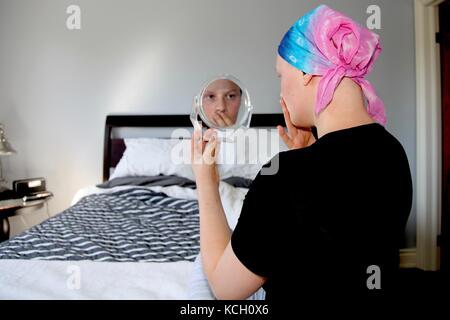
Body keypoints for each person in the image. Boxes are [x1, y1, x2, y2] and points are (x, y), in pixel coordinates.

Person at [190, 4, 413, 305]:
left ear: (306, 71)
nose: (280, 91)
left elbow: (224, 287)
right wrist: (307, 154)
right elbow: (337, 242)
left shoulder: (284, 176)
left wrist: (206, 179)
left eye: (281, 75)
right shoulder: (392, 152)